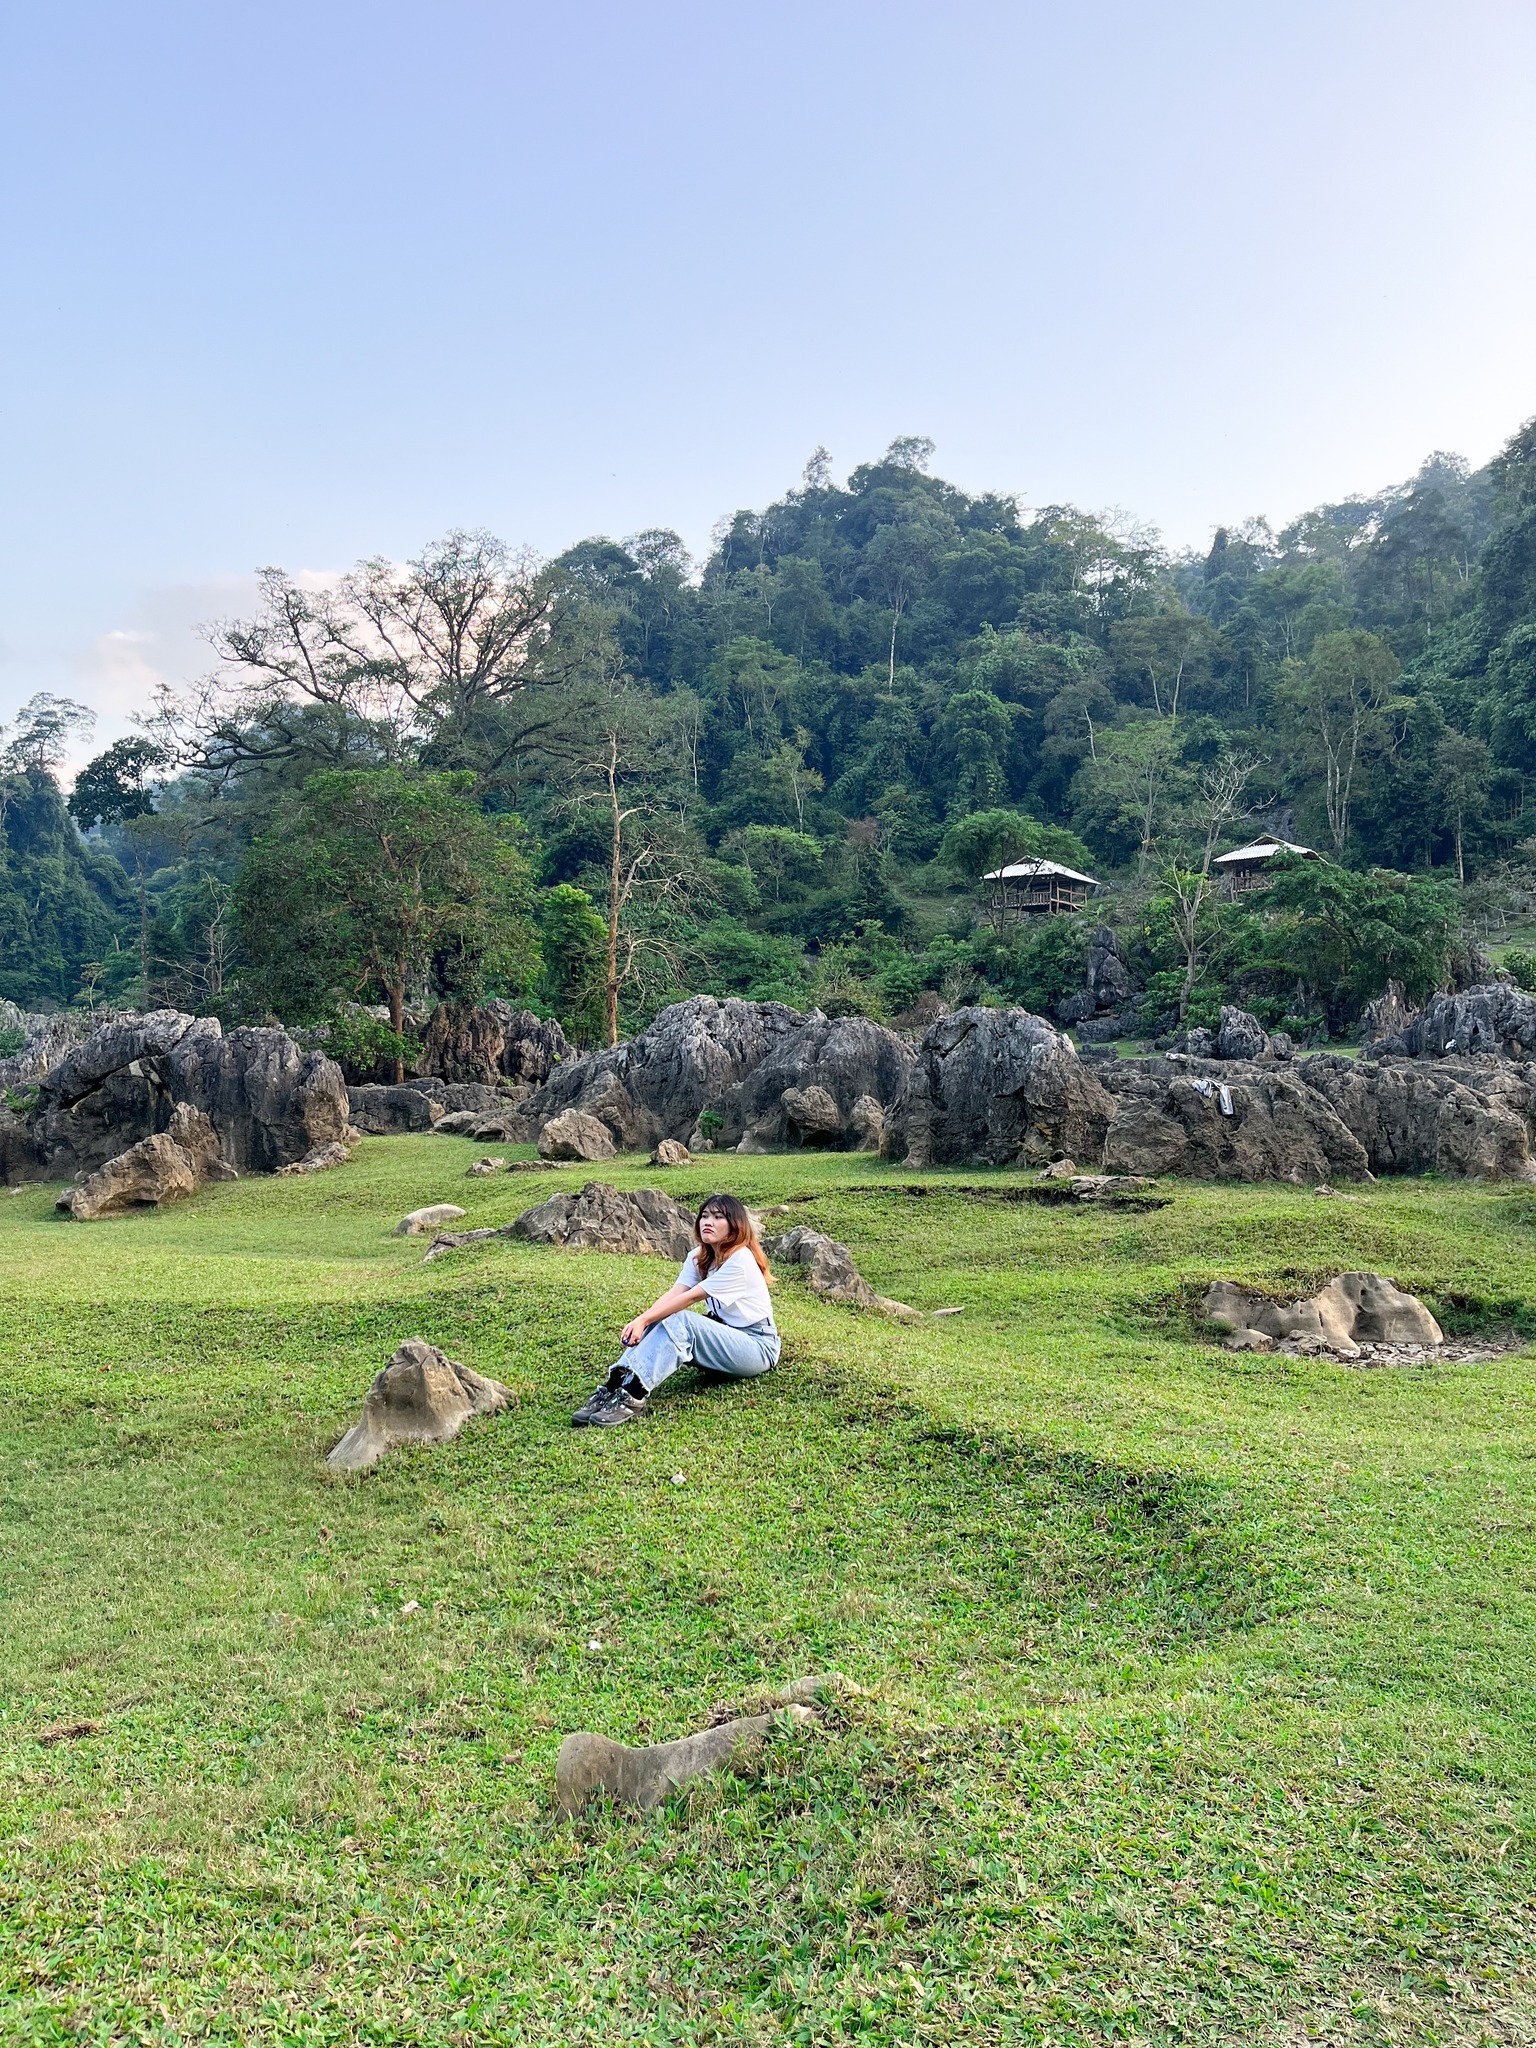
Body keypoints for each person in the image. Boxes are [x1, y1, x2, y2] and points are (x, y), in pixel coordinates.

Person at [571, 1192, 780, 1428]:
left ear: (735, 1226)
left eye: (718, 1217)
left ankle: (632, 1395)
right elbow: (675, 1294)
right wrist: (643, 1320)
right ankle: (613, 1387)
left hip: (758, 1346)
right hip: (726, 1336)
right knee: (660, 1317)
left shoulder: (741, 1260)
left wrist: (645, 1319)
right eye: (704, 1216)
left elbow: (690, 1298)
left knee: (681, 1320)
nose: (707, 1222)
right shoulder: (699, 1257)